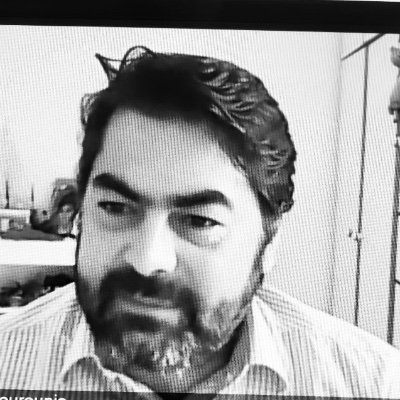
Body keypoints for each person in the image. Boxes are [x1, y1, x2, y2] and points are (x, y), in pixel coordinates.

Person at [0, 45, 399, 399]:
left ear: (269, 243)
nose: (148, 260)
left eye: (199, 221)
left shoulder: (373, 385)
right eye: (115, 208)